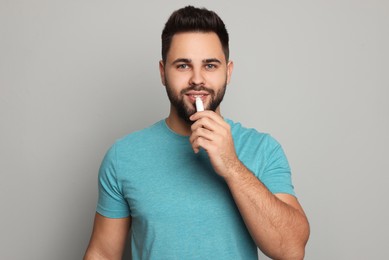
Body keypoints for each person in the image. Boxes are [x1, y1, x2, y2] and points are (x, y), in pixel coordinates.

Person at [84, 5, 310, 260]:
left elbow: (291, 250)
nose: (197, 79)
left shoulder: (263, 149)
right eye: (183, 66)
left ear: (228, 71)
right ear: (162, 72)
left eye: (210, 66)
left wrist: (231, 165)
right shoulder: (122, 156)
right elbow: (103, 253)